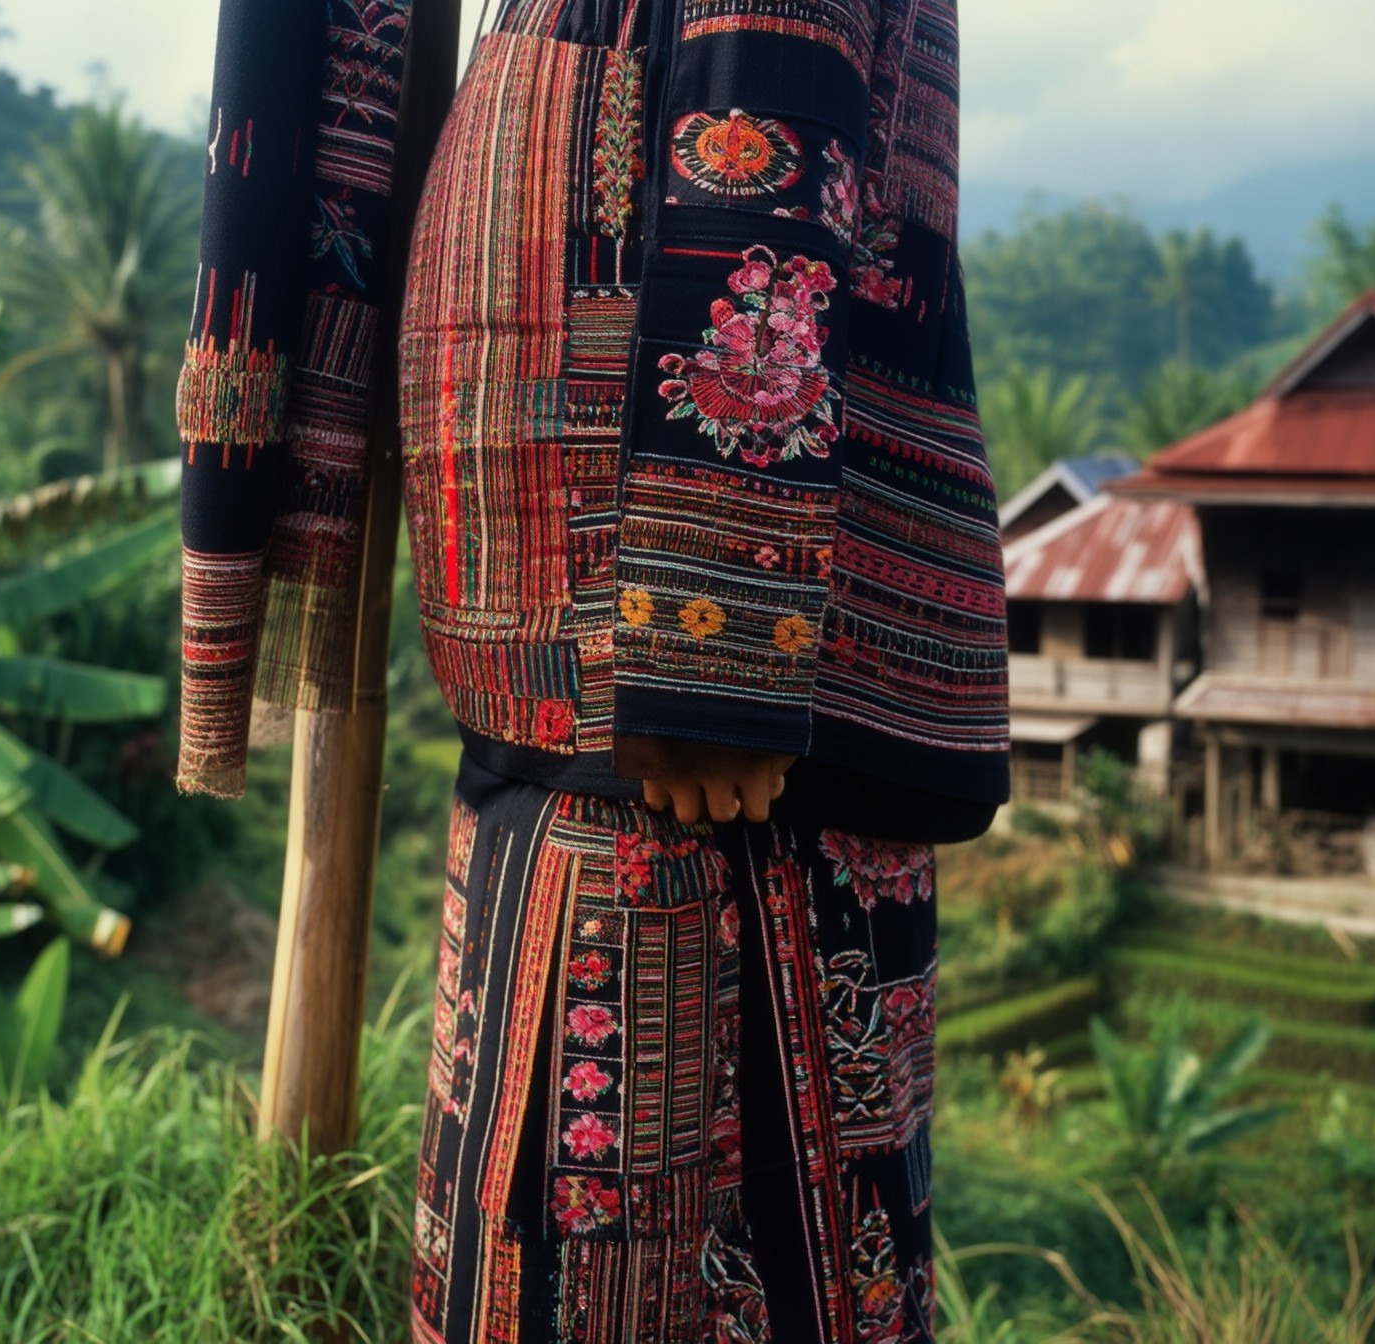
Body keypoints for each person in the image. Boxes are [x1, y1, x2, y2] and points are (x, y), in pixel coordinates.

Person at [174, 0, 1010, 1337]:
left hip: (668, 615)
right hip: (617, 610)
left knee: (661, 1162)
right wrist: (712, 627)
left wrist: (716, 623)